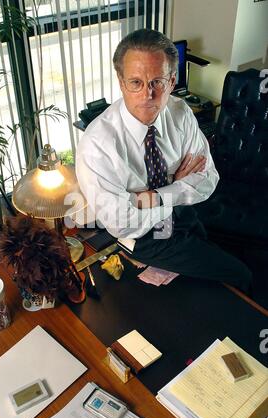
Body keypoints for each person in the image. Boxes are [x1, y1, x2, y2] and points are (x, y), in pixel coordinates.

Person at [76, 29, 252, 295]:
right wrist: (177, 186)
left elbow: (208, 180)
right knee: (241, 275)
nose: (147, 94)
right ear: (121, 82)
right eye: (136, 82)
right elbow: (121, 222)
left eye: (157, 82)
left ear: (172, 81)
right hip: (145, 239)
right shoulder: (97, 144)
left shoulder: (180, 113)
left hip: (186, 214)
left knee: (211, 283)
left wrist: (151, 197)